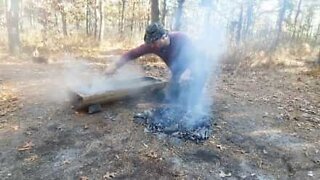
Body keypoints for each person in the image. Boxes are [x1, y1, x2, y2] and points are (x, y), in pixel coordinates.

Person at [105, 22, 206, 105]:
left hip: (195, 70)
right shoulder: (153, 45)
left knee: (190, 100)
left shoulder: (181, 38)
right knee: (172, 98)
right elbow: (133, 53)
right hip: (178, 73)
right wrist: (115, 66)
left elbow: (195, 58)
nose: (152, 46)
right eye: (150, 43)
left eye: (154, 42)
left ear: (164, 36)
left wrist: (188, 72)